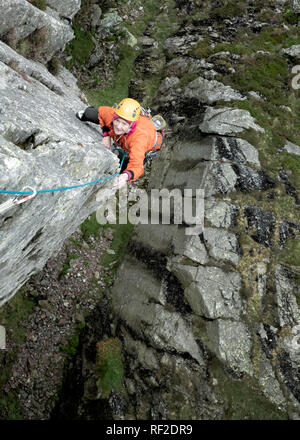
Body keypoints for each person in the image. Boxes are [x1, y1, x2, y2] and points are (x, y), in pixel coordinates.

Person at [76, 98, 164, 190]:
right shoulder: (113, 115)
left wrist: (126, 176)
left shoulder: (138, 140)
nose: (118, 126)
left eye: (124, 123)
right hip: (128, 136)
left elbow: (137, 166)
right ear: (115, 116)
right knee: (89, 113)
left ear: (131, 125)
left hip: (144, 142)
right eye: (117, 120)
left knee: (121, 173)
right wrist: (106, 135)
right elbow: (101, 113)